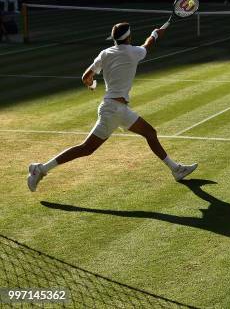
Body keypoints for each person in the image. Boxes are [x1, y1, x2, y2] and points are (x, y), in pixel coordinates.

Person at [27, 22, 198, 192]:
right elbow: (149, 44)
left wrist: (92, 84)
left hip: (118, 109)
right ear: (129, 37)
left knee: (150, 133)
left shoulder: (105, 53)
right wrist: (155, 33)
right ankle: (40, 169)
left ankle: (176, 169)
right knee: (86, 149)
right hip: (113, 111)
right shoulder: (134, 52)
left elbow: (86, 77)